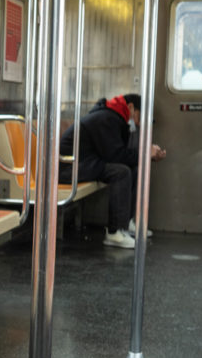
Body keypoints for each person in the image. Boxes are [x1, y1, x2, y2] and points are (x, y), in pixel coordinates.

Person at [58, 93, 166, 249]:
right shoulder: (107, 119)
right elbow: (115, 155)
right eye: (139, 117)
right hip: (68, 167)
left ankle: (125, 223)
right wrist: (145, 153)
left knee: (133, 168)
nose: (139, 123)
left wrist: (147, 155)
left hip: (85, 163)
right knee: (121, 172)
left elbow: (118, 153)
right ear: (130, 107)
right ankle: (114, 232)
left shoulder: (115, 118)